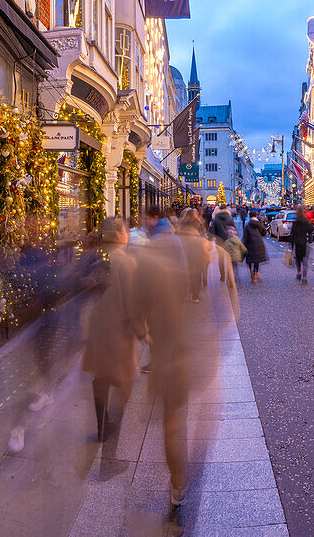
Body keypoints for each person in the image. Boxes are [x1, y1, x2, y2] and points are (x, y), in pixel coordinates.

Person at [134, 204, 190, 507]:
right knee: (175, 415)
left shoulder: (148, 254)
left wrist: (143, 331)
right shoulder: (180, 248)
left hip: (167, 345)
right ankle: (178, 479)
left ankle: (178, 480)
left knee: (171, 418)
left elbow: (135, 303)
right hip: (184, 342)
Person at [82, 218, 143, 442]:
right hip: (119, 331)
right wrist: (142, 331)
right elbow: (133, 302)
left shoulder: (98, 259)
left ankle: (102, 425)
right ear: (118, 235)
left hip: (98, 327)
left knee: (101, 376)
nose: (127, 232)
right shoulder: (127, 262)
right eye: (124, 229)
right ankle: (112, 422)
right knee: (125, 378)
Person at [178, 209, 208, 302]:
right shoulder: (199, 223)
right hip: (196, 247)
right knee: (196, 271)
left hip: (184, 247)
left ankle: (183, 294)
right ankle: (195, 295)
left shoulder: (181, 223)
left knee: (184, 270)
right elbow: (203, 236)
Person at [288, 205, 314, 283]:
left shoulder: (295, 222)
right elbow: (310, 230)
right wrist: (311, 224)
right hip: (303, 241)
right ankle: (304, 277)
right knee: (305, 260)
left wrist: (291, 245)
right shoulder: (306, 221)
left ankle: (299, 272)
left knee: (298, 259)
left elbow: (292, 234)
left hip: (297, 242)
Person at [242, 213, 268, 283]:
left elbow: (245, 237)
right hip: (258, 244)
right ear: (256, 216)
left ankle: (252, 273)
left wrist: (242, 246)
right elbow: (264, 232)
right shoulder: (259, 224)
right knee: (257, 260)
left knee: (250, 260)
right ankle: (256, 273)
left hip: (249, 244)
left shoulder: (247, 226)